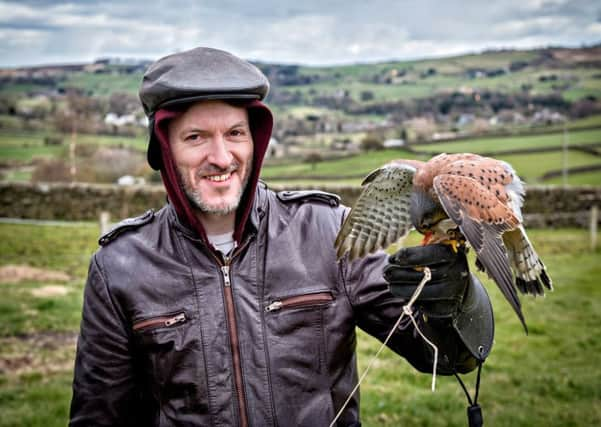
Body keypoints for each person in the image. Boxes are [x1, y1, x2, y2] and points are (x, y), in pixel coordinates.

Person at [69, 47, 494, 427]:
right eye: (195, 137)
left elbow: (444, 356)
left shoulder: (329, 231)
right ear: (164, 148)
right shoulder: (120, 266)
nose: (221, 157)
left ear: (256, 140)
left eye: (235, 133)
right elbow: (99, 416)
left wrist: (458, 297)